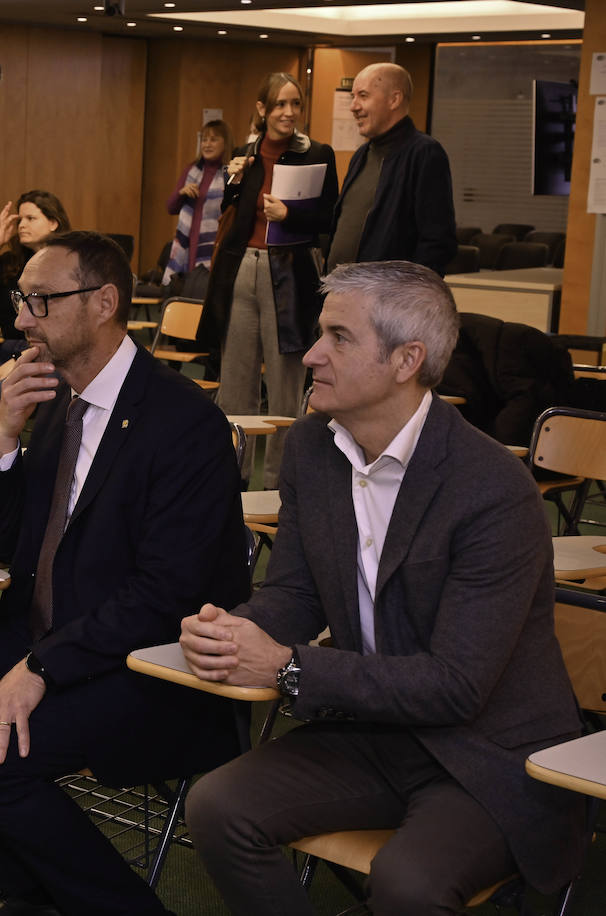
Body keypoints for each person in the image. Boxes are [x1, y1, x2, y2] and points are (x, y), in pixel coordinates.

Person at [181, 261, 587, 915]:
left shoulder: (490, 489)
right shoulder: (314, 450)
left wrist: (286, 668)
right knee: (218, 806)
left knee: (408, 883)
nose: (311, 353)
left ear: (406, 360)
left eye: (339, 338)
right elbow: (297, 593)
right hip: (376, 729)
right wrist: (236, 632)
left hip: (487, 752)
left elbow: (457, 686)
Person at [0, 231, 251, 916]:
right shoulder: (51, 401)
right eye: (22, 300)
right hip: (47, 635)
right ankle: (31, 891)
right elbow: (11, 548)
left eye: (39, 301)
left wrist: (41, 668)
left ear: (104, 303)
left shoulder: (183, 421)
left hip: (148, 664)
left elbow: (167, 595)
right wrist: (6, 439)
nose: (19, 320)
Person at [204, 72, 338, 489]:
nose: (289, 112)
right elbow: (231, 213)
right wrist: (234, 181)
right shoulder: (246, 152)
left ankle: (282, 484)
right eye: (280, 104)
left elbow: (330, 218)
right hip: (243, 267)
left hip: (291, 274)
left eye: (295, 104)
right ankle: (232, 478)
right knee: (236, 381)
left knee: (284, 386)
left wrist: (291, 215)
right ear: (262, 109)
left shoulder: (316, 153)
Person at [0, 190, 71, 447]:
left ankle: (1, 466)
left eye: (31, 218)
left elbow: (64, 326)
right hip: (5, 350)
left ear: (53, 222)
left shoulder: (66, 264)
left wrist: (20, 360)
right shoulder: (11, 262)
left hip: (49, 353)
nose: (22, 225)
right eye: (20, 220)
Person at [329, 63, 457, 274]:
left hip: (389, 299)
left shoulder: (424, 153)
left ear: (394, 99)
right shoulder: (362, 154)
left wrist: (404, 294)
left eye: (363, 95)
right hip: (344, 292)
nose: (353, 106)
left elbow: (438, 241)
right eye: (353, 97)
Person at [162, 119, 232, 286]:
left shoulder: (229, 173)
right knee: (189, 292)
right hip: (189, 245)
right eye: (204, 139)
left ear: (226, 143)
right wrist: (181, 193)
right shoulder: (192, 170)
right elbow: (170, 207)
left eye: (214, 139)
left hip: (215, 247)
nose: (207, 144)